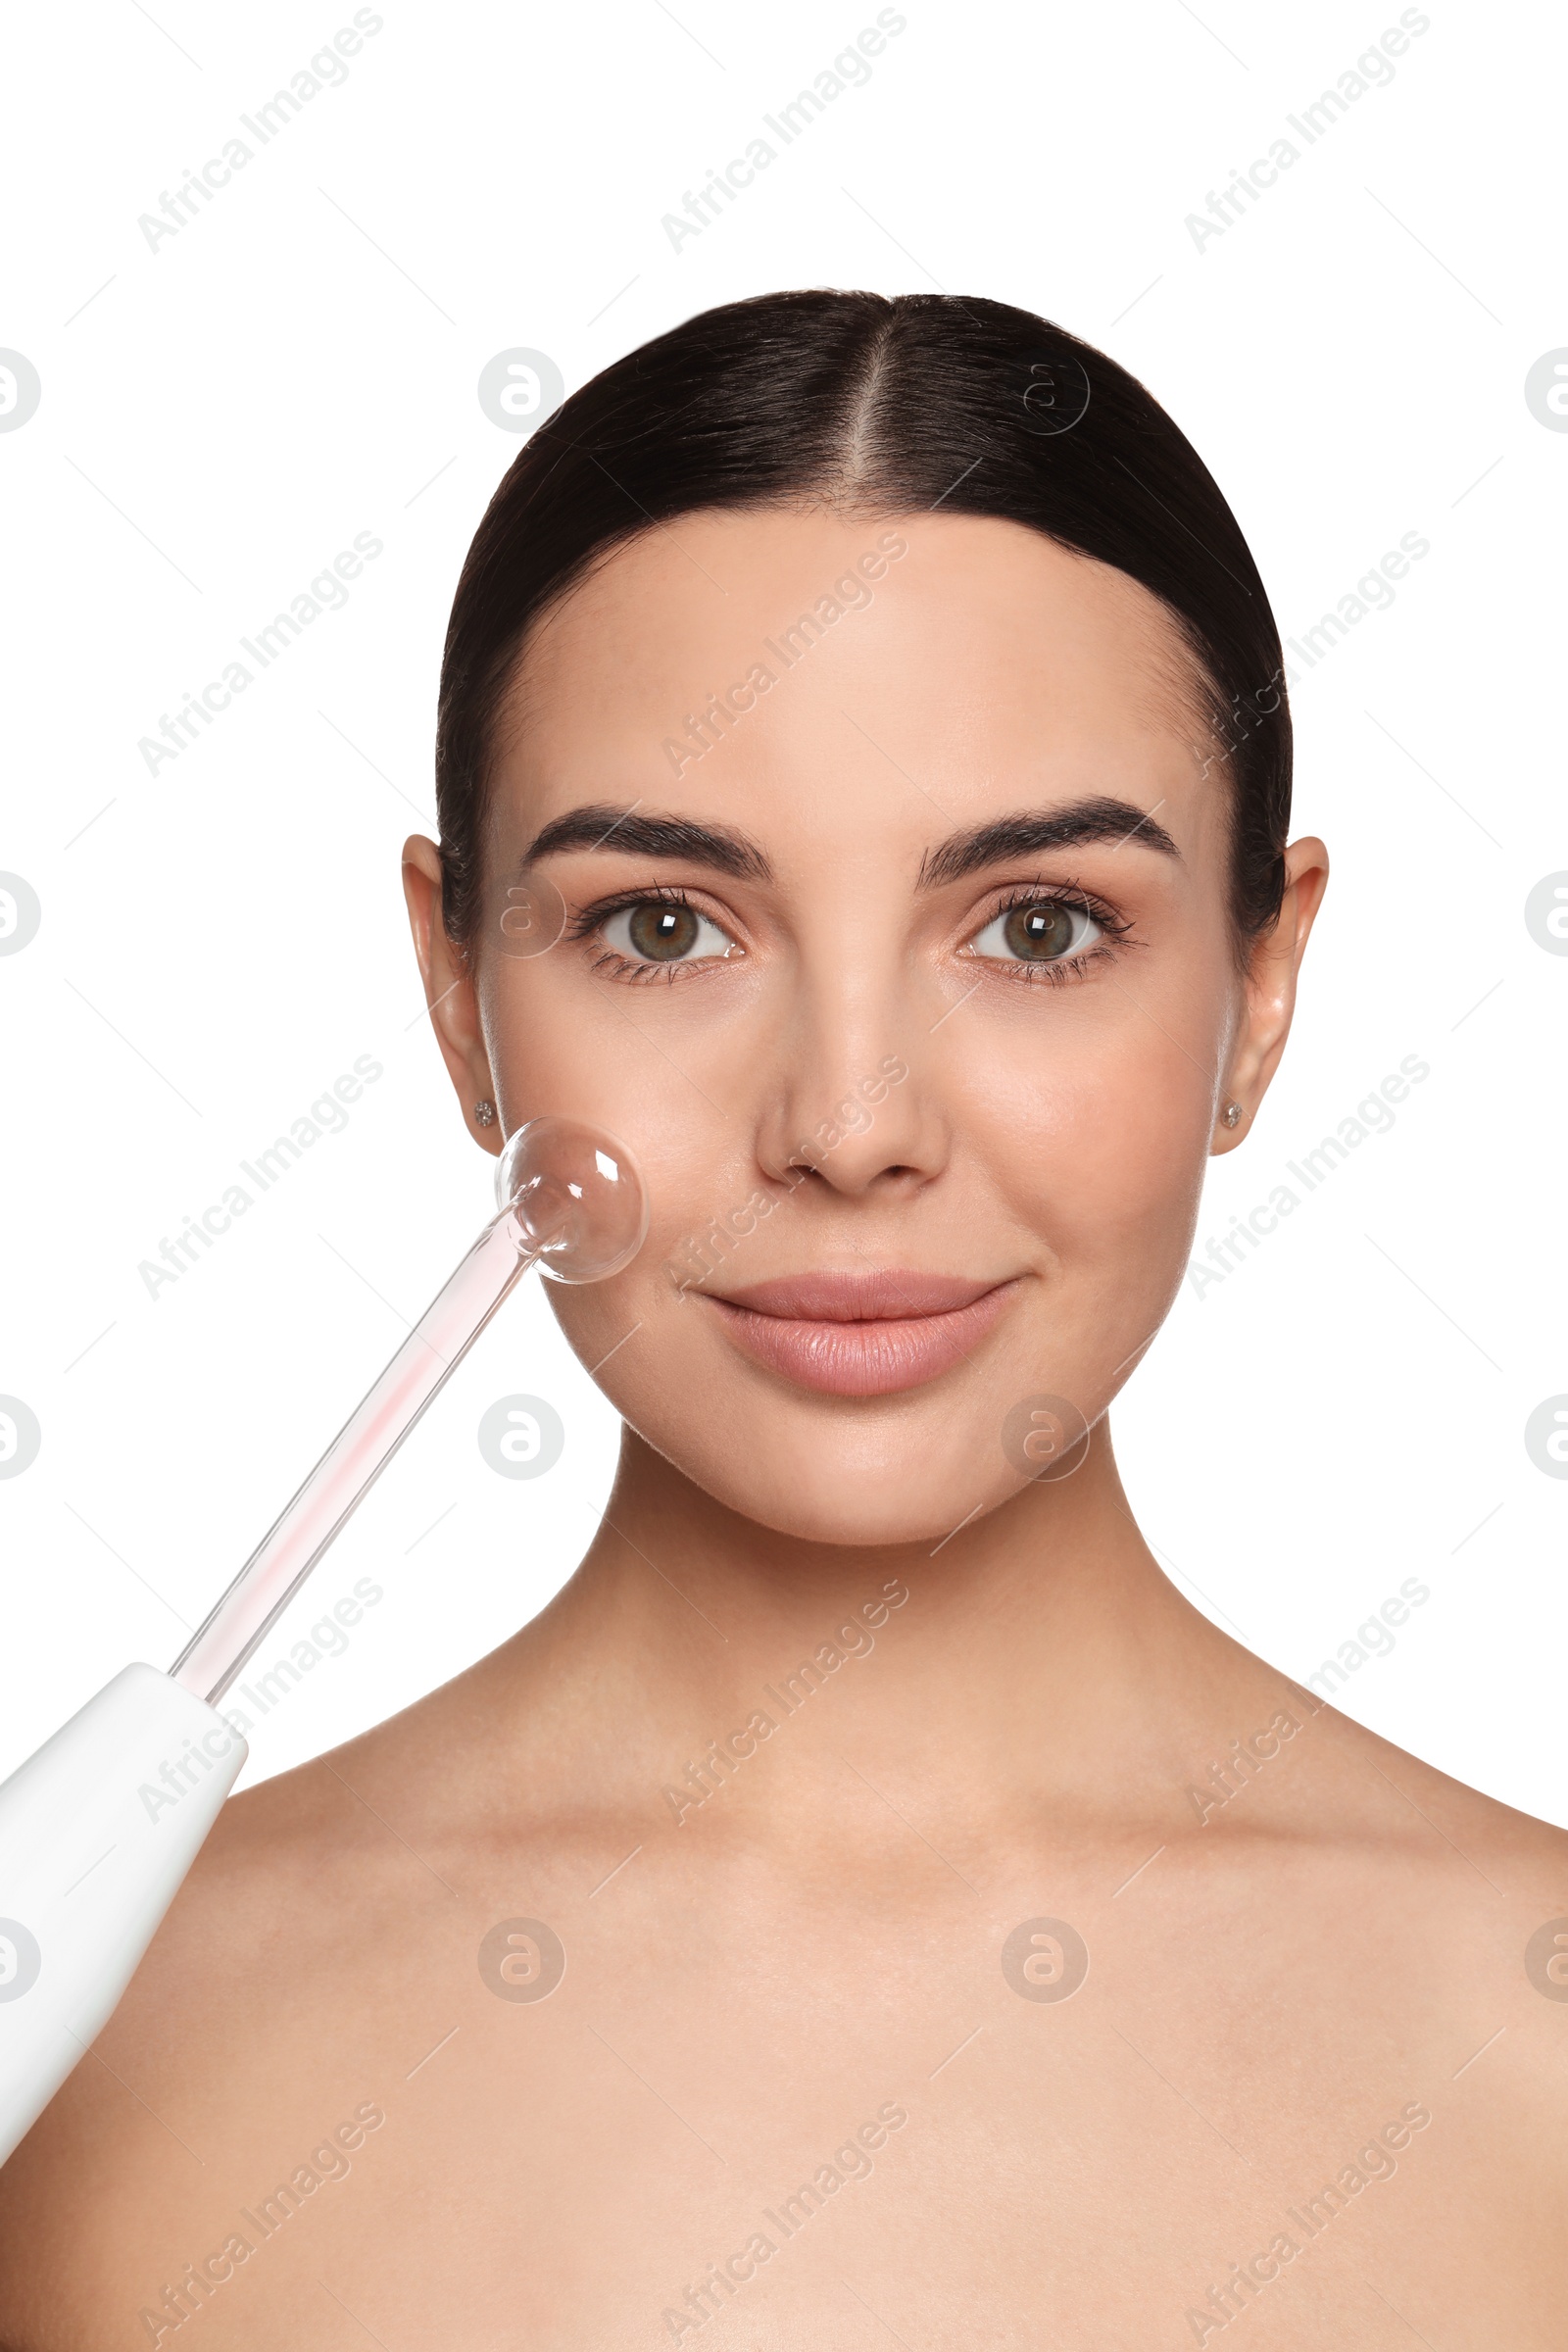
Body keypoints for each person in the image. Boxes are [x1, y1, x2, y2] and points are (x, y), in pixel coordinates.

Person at [2, 292, 1562, 2347]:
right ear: (458, 989)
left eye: (1035, 927)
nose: (846, 1127)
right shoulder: (85, 2060)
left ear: (1258, 995)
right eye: (660, 927)